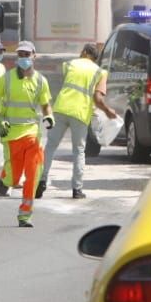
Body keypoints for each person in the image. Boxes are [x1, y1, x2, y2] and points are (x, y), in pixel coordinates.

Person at [0, 40, 52, 226]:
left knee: (33, 176)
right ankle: (5, 179)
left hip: (33, 135)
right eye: (21, 55)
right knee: (14, 177)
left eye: (27, 55)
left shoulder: (41, 81)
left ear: (34, 56)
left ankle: (25, 215)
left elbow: (46, 104)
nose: (24, 58)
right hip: (11, 135)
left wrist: (49, 116)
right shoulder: (7, 79)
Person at [43, 43, 116, 199]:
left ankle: (41, 181)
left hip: (61, 109)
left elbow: (65, 80)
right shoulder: (100, 72)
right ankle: (77, 189)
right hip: (80, 114)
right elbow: (97, 99)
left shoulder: (69, 64)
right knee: (78, 152)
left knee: (50, 146)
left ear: (84, 52)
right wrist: (108, 111)